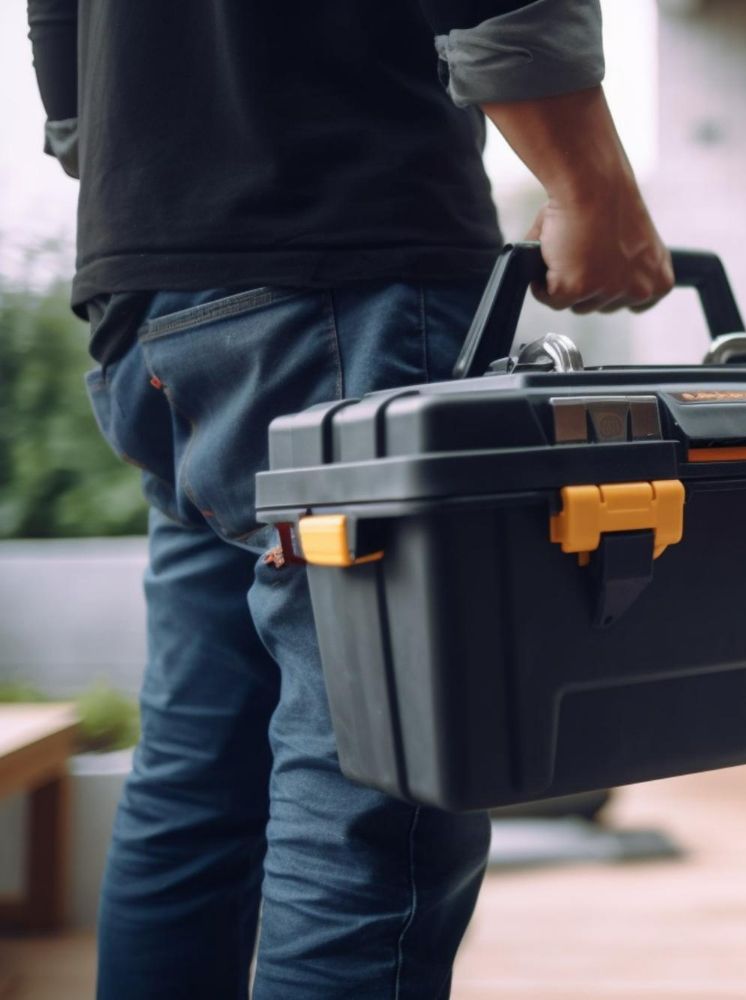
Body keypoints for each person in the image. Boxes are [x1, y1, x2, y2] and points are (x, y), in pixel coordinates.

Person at [25, 0, 672, 995]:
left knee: (201, 768)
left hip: (152, 286)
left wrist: (112, 137)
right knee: (379, 781)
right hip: (342, 273)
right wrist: (589, 180)